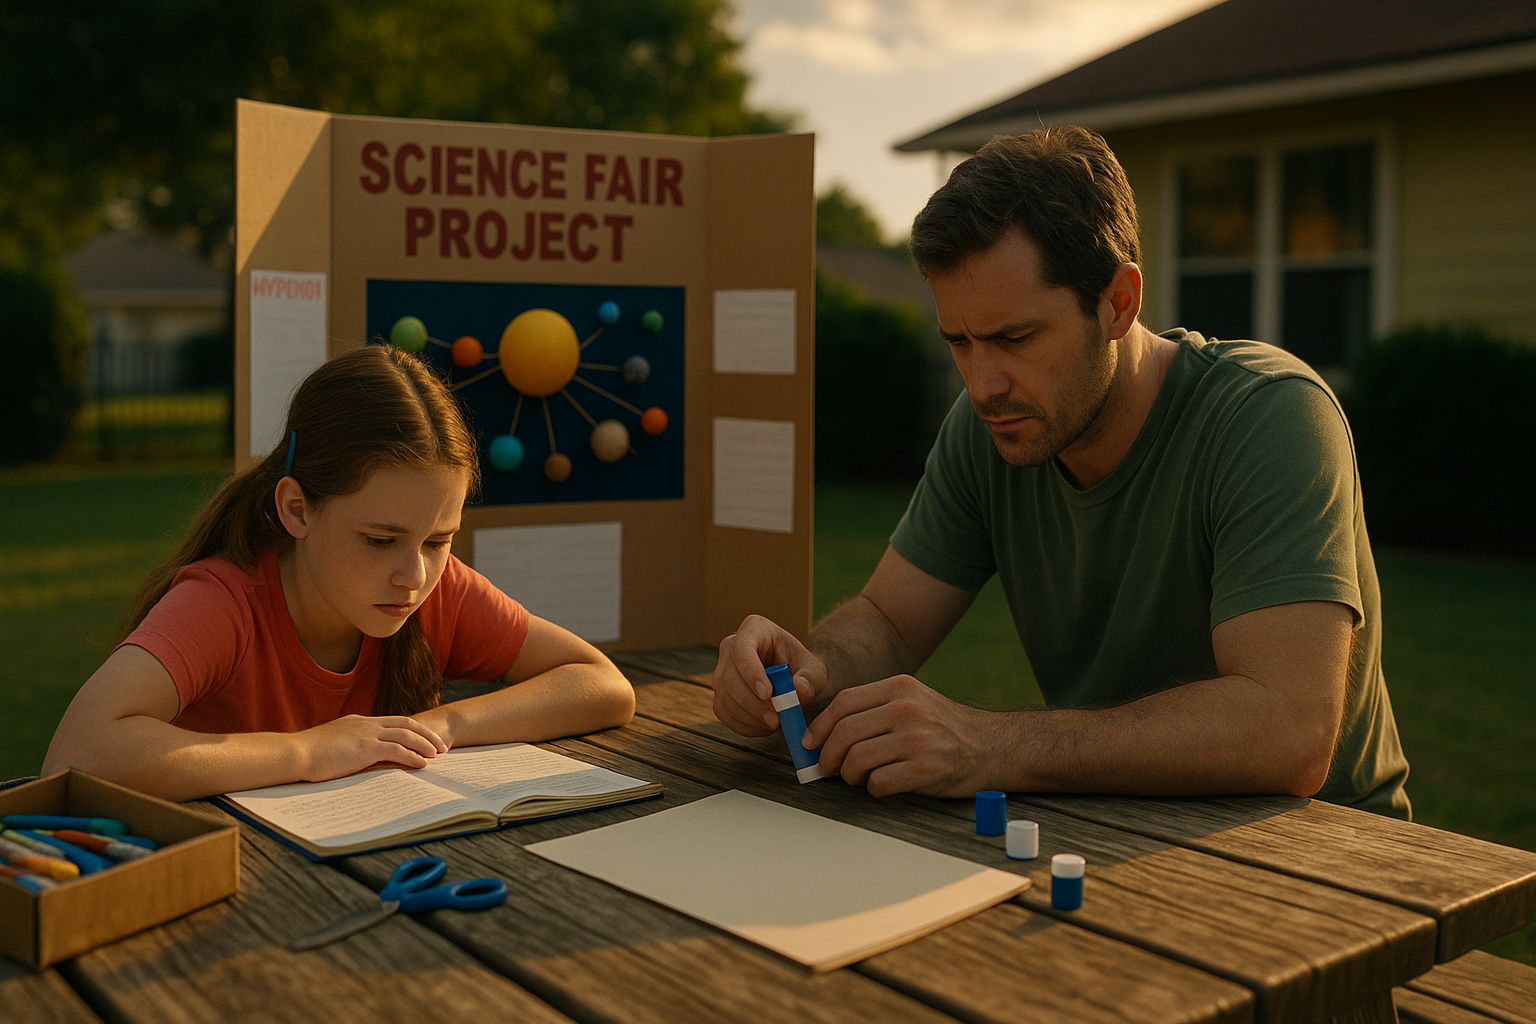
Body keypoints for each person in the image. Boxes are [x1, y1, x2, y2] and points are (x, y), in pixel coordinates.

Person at [713, 126, 1410, 818]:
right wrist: (809, 673)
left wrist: (990, 744)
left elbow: (1289, 733)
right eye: (958, 341)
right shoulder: (986, 426)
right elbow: (890, 622)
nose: (983, 383)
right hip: (1114, 826)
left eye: (1014, 338)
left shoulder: (1269, 416)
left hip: (1328, 856)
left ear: (1120, 303)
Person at [43, 343, 634, 801]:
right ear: (297, 509)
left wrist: (442, 723)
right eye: (380, 540)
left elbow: (602, 686)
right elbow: (78, 754)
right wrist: (305, 753)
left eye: (439, 539)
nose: (413, 574)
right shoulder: (222, 603)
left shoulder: (437, 588)